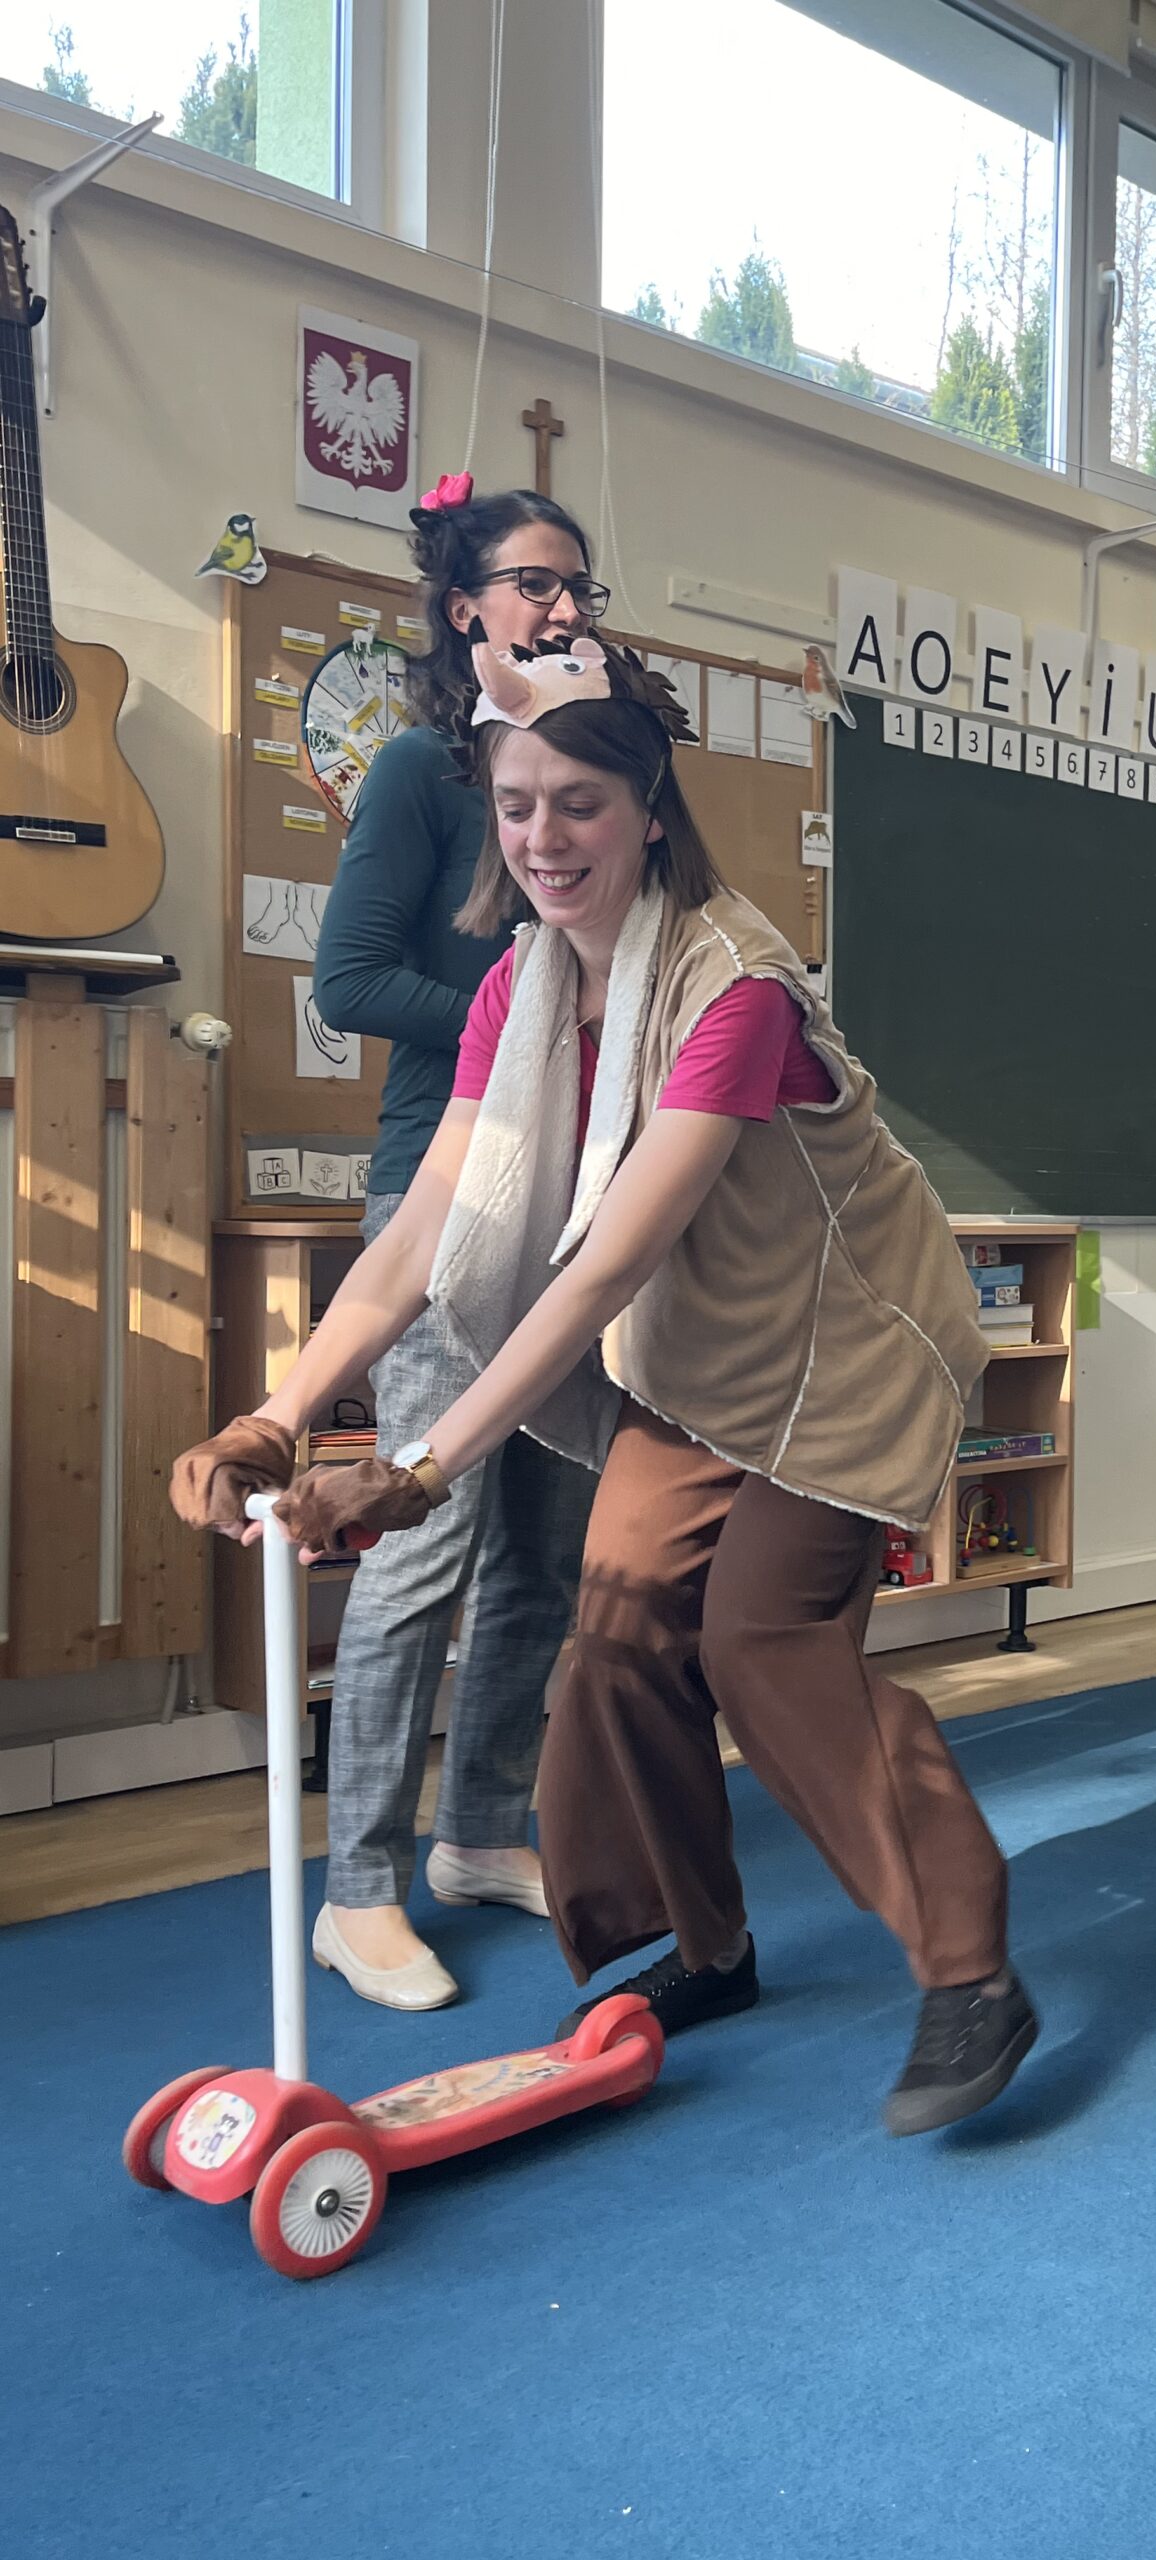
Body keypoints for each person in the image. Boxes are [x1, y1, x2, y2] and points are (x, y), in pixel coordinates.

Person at [171, 636, 1035, 2138]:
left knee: (764, 1645)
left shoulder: (734, 988)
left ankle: (970, 1971)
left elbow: (601, 1267)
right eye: (518, 805)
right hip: (704, 1367)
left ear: (648, 809)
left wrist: (419, 1466)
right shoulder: (520, 988)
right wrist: (277, 1413)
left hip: (844, 1359)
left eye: (579, 803)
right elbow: (423, 1231)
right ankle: (707, 1944)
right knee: (619, 1635)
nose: (544, 837)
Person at [193, 481, 606, 2013]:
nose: (565, 608)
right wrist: (522, 1032)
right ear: (465, 609)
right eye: (535, 583)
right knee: (420, 1540)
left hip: (583, 1201)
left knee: (543, 1552)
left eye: (581, 587)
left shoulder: (592, 778)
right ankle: (358, 1890)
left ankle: (480, 1831)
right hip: (446, 1192)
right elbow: (352, 981)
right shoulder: (425, 775)